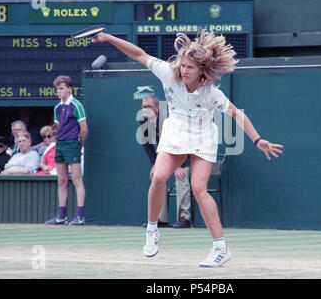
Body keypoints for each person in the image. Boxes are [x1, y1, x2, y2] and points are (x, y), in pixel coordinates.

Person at [92, 29, 284, 267]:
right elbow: (139, 54)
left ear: (202, 71)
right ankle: (152, 231)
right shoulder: (168, 74)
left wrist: (258, 140)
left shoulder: (211, 92)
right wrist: (109, 38)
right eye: (183, 65)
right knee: (159, 177)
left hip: (203, 138)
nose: (183, 70)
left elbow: (236, 114)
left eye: (190, 67)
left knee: (198, 188)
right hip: (175, 133)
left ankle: (220, 248)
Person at [139, 95, 191, 228]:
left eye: (148, 107)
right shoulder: (143, 119)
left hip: (184, 153)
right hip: (167, 153)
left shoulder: (168, 118)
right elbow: (147, 144)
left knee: (181, 177)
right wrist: (155, 164)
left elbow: (180, 140)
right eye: (143, 107)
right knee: (157, 177)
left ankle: (184, 218)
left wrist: (180, 165)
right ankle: (159, 218)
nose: (145, 110)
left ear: (157, 108)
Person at [45, 75, 88, 226]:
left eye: (62, 88)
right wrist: (55, 130)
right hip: (60, 145)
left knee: (77, 180)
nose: (59, 91)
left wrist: (79, 145)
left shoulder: (77, 105)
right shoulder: (57, 108)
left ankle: (80, 216)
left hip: (73, 145)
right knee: (61, 180)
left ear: (69, 89)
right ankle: (62, 216)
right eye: (57, 89)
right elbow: (57, 126)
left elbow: (84, 129)